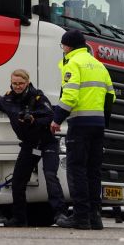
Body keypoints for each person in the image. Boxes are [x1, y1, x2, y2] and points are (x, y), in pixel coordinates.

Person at [0, 69, 64, 227]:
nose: (17, 86)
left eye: (21, 84)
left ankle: (60, 214)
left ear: (27, 83)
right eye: (15, 83)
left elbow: (50, 117)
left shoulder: (38, 97)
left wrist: (34, 119)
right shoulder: (8, 100)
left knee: (50, 175)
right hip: (30, 145)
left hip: (47, 142)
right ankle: (19, 218)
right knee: (18, 181)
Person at [50, 29, 114, 230]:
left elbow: (70, 95)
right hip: (98, 125)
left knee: (76, 170)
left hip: (79, 125)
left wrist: (57, 119)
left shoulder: (73, 64)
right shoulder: (99, 65)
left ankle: (80, 216)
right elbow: (110, 96)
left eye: (63, 46)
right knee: (93, 171)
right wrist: (104, 120)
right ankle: (95, 217)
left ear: (68, 46)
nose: (63, 49)